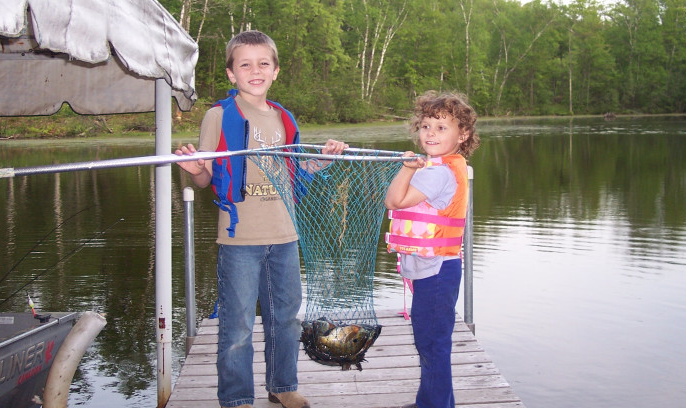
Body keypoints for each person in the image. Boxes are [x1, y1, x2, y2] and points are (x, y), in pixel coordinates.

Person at [175, 30, 347, 408]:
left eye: (263, 64)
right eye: (245, 64)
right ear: (231, 73)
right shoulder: (218, 116)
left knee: (285, 320)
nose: (255, 70)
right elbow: (205, 179)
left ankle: (282, 385)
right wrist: (193, 170)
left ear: (275, 71)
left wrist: (325, 159)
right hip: (239, 240)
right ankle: (236, 398)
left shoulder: (284, 117)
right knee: (236, 327)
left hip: (285, 236)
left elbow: (296, 172)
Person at [384, 91, 480, 408]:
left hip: (437, 272)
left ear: (462, 134)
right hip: (436, 270)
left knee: (433, 344)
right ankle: (430, 401)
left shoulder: (438, 172)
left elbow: (395, 201)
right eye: (426, 126)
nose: (430, 134)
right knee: (428, 342)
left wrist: (407, 168)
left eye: (442, 128)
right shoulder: (443, 165)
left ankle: (436, 404)